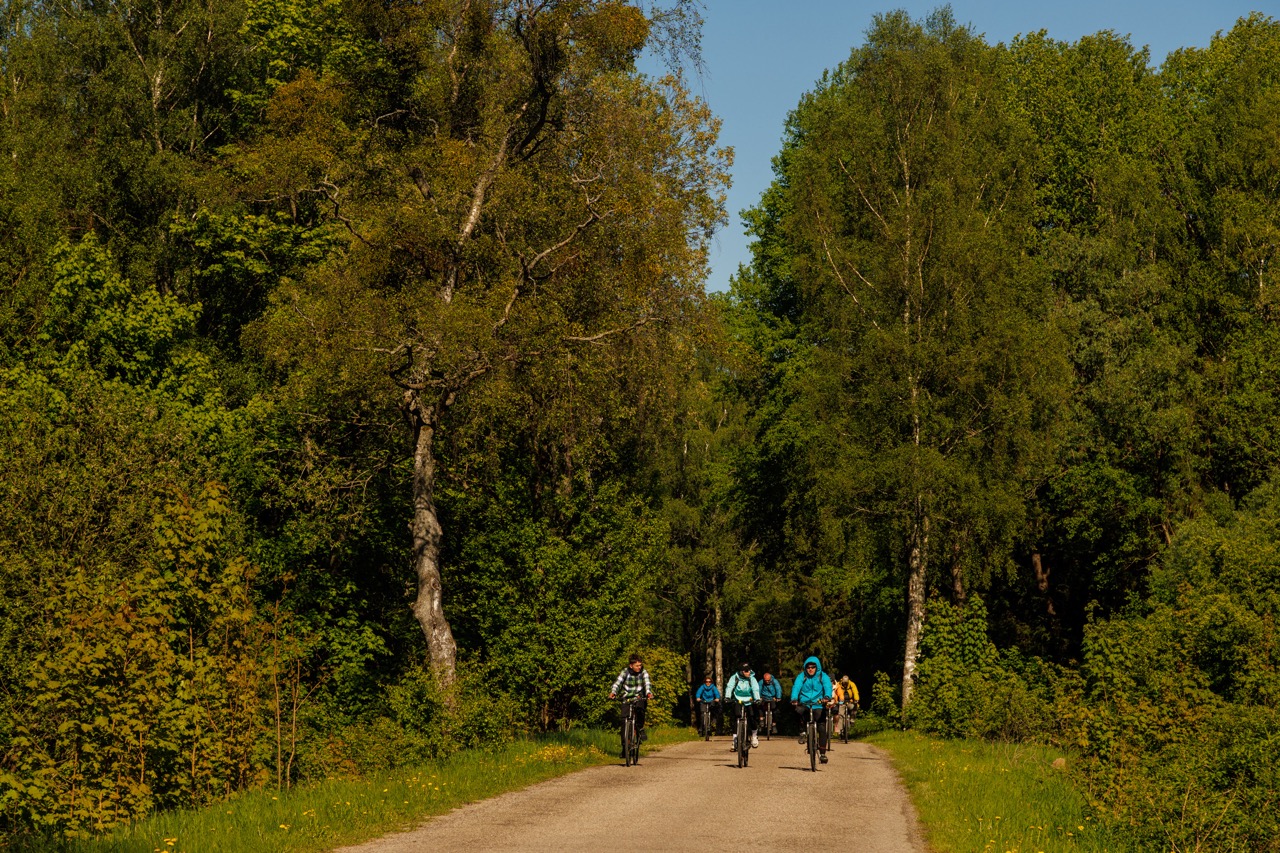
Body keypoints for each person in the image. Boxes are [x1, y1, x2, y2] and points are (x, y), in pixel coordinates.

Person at [791, 655, 833, 763]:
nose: (810, 669)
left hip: (818, 704)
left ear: (817, 667)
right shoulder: (802, 676)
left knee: (822, 728)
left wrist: (827, 697)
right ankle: (802, 733)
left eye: (813, 667)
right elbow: (796, 687)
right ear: (805, 668)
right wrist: (794, 698)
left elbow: (827, 686)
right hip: (805, 702)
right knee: (797, 711)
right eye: (808, 667)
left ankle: (823, 754)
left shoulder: (823, 676)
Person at [609, 653, 654, 753]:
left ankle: (640, 728)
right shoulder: (625, 672)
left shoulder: (643, 672)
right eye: (637, 665)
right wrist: (613, 692)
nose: (639, 667)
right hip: (626, 697)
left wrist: (648, 693)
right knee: (624, 721)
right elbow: (618, 683)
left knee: (640, 710)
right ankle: (624, 746)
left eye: (640, 665)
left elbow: (647, 683)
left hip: (639, 697)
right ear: (631, 665)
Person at [724, 662, 761, 750]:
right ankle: (735, 740)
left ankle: (754, 736)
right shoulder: (735, 677)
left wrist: (757, 699)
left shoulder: (752, 678)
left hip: (750, 700)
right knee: (736, 718)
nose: (748, 672)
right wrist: (727, 697)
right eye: (746, 671)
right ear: (741, 671)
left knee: (752, 717)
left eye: (749, 670)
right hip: (738, 700)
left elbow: (755, 688)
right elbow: (730, 687)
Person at [759, 668, 782, 734]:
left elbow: (778, 689)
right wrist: (759, 697)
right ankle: (761, 720)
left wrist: (778, 697)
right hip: (763, 697)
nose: (767, 682)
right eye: (765, 680)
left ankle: (774, 725)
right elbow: (758, 689)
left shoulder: (775, 681)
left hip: (772, 697)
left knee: (775, 710)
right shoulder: (761, 682)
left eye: (768, 680)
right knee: (760, 706)